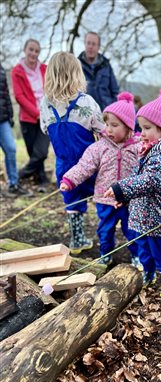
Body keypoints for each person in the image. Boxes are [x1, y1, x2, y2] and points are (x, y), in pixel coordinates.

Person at [104, 88, 161, 296]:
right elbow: (137, 176)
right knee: (144, 250)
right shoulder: (150, 150)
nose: (141, 133)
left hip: (157, 217)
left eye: (147, 128)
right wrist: (124, 197)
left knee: (160, 251)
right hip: (142, 216)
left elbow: (150, 180)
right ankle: (148, 273)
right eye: (141, 128)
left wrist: (120, 188)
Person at [60, 92, 142, 269]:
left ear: (128, 126)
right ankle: (106, 254)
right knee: (105, 230)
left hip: (130, 200)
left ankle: (137, 255)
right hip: (105, 199)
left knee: (133, 230)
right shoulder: (100, 147)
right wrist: (69, 180)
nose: (109, 129)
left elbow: (146, 170)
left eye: (114, 125)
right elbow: (85, 166)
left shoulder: (139, 148)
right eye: (107, 124)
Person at [40, 51, 104, 254]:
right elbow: (101, 130)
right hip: (89, 164)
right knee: (102, 197)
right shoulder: (87, 102)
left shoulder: (45, 103)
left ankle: (77, 240)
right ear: (76, 74)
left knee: (72, 201)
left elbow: (44, 128)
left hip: (64, 165)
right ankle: (107, 235)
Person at [11, 39, 50, 192]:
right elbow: (19, 96)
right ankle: (42, 180)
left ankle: (20, 175)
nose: (33, 53)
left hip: (46, 117)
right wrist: (36, 113)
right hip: (27, 119)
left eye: (36, 50)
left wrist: (45, 113)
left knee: (41, 152)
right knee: (33, 153)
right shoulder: (17, 71)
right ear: (25, 50)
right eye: (31, 50)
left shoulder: (45, 69)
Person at [0, 63, 30, 196]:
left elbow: (6, 94)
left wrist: (10, 115)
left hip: (3, 118)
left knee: (11, 149)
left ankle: (13, 184)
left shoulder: (1, 68)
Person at [78, 31, 119, 111]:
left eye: (93, 44)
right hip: (84, 113)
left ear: (98, 47)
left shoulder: (106, 65)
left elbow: (115, 92)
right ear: (84, 44)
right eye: (88, 43)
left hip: (105, 112)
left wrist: (112, 110)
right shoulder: (76, 65)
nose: (90, 46)